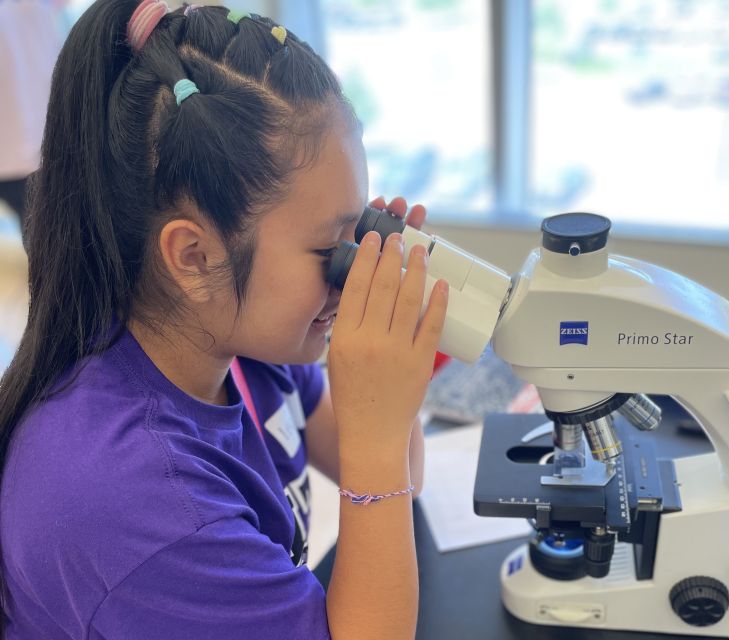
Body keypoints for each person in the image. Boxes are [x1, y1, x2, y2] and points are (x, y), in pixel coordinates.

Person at [0, 1, 449, 639]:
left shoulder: (238, 343)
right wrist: (379, 435)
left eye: (363, 234)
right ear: (195, 257)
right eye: (333, 250)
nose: (354, 271)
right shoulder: (128, 498)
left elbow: (388, 475)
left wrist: (389, 373)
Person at [0, 0, 64, 230]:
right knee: (41, 241)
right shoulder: (39, 13)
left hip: (25, 155)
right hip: (33, 154)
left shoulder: (38, 13)